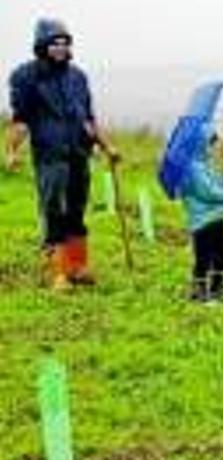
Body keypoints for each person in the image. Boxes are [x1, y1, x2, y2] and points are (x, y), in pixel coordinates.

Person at [5, 18, 121, 290]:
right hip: (50, 156)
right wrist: (11, 150)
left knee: (77, 211)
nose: (60, 47)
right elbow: (21, 120)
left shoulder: (78, 77)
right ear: (42, 45)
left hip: (79, 153)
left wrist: (108, 146)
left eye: (64, 42)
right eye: (54, 42)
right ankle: (56, 272)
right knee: (54, 210)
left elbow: (89, 119)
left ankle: (77, 266)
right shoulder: (26, 76)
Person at [180, 127, 223, 303]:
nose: (212, 148)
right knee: (203, 258)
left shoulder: (203, 164)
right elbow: (207, 192)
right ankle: (199, 293)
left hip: (216, 217)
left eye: (212, 144)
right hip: (203, 221)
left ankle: (217, 288)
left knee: (222, 255)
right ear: (199, 145)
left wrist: (222, 181)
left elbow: (212, 183)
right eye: (210, 144)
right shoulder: (192, 168)